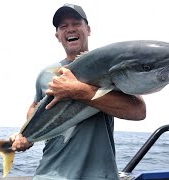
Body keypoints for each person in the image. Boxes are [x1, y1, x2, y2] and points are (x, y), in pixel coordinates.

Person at [9, 3, 146, 180]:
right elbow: (35, 107)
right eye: (63, 26)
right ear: (57, 35)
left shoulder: (110, 64)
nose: (70, 29)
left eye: (76, 23)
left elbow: (138, 111)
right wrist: (24, 135)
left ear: (88, 29)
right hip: (49, 174)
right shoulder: (46, 74)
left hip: (99, 175)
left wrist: (78, 91)